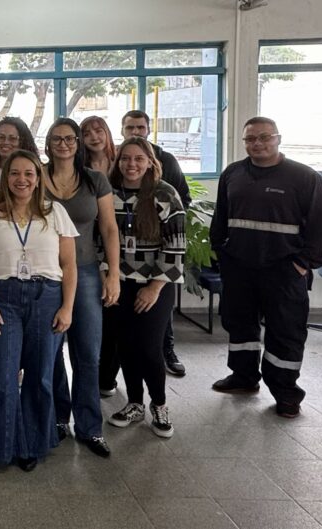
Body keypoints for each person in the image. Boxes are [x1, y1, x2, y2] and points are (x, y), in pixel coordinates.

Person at [210, 117, 322, 418]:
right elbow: (221, 218)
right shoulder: (233, 174)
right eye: (250, 139)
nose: (257, 143)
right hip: (240, 268)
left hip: (283, 272)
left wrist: (303, 264)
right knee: (240, 325)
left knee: (285, 332)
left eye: (264, 137)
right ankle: (243, 377)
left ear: (278, 139)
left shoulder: (304, 177)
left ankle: (285, 392)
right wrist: (222, 252)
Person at [0, 149, 77, 477]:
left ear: (38, 178)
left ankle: (30, 445)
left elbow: (69, 263)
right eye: (14, 173)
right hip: (5, 298)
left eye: (29, 173)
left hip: (47, 297)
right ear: (5, 179)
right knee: (1, 377)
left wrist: (67, 308)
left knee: (41, 377)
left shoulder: (55, 212)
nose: (22, 179)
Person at [41, 118, 118, 458]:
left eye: (70, 138)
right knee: (50, 351)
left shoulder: (95, 180)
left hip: (85, 272)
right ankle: (58, 418)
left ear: (78, 143)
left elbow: (110, 229)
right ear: (48, 143)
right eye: (57, 138)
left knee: (87, 352)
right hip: (44, 275)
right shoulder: (35, 176)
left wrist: (112, 273)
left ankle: (89, 427)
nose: (64, 144)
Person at [104, 137, 185, 439]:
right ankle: (135, 403)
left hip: (155, 286)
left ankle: (159, 405)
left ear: (150, 161)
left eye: (139, 158)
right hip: (118, 283)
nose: (131, 164)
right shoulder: (110, 193)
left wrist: (154, 287)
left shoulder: (165, 194)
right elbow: (100, 241)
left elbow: (176, 247)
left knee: (150, 348)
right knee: (125, 346)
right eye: (125, 158)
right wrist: (107, 275)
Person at [121, 110, 191, 378]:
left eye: (140, 127)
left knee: (157, 332)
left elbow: (182, 200)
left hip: (157, 272)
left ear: (148, 129)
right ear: (123, 130)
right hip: (125, 272)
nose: (135, 131)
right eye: (130, 127)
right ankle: (133, 397)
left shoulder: (167, 163)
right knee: (129, 339)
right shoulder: (118, 178)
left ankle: (168, 353)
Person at [0, 116, 38, 184]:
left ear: (23, 141)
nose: (5, 142)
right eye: (1, 137)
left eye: (12, 138)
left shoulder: (33, 171)